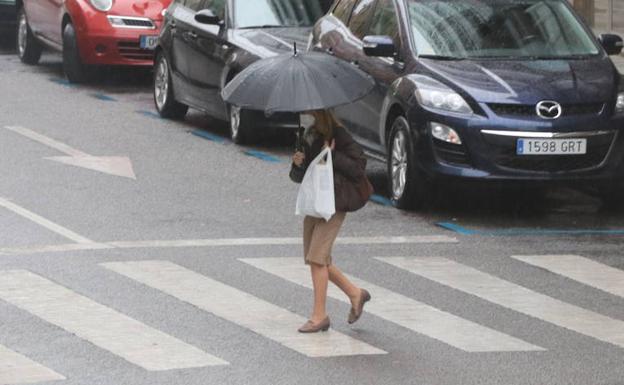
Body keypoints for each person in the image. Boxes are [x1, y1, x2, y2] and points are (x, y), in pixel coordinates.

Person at [290, 109, 372, 333]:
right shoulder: (308, 134)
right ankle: (356, 293)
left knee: (317, 258)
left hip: (334, 203)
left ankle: (319, 316)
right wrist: (298, 164)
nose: (304, 112)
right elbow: (300, 176)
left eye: (309, 108)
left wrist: (332, 155)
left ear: (320, 110)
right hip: (315, 201)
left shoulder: (339, 134)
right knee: (315, 258)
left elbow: (359, 167)